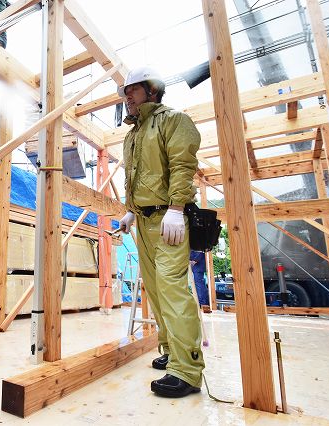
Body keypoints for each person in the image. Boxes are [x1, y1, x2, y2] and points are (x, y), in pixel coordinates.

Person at [117, 66, 204, 398]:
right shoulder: (133, 135)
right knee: (155, 290)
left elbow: (182, 165)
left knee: (172, 289)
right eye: (125, 92)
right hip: (143, 221)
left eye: (132, 90)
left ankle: (187, 370)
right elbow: (136, 179)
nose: (126, 97)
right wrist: (129, 211)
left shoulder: (174, 121)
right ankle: (171, 351)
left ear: (152, 91)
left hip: (168, 219)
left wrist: (177, 208)